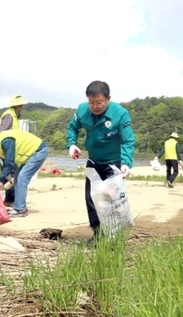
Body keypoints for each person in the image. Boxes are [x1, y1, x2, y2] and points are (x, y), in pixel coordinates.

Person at [66, 80, 135, 246]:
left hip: (114, 164)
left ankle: (114, 236)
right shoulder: (82, 110)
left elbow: (128, 141)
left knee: (112, 199)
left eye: (99, 102)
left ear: (108, 98)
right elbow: (72, 127)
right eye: (91, 102)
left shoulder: (121, 114)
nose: (94, 106)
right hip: (93, 161)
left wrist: (126, 163)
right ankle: (98, 234)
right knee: (92, 198)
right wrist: (72, 144)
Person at [0, 130, 49, 217]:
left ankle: (20, 209)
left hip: (39, 151)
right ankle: (18, 207)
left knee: (22, 177)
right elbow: (7, 164)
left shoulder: (6, 141)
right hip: (33, 152)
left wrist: (0, 180)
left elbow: (9, 163)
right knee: (17, 177)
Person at [0, 95, 27, 207]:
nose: (22, 107)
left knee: (10, 174)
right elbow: (2, 132)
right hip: (7, 150)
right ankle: (12, 200)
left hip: (11, 150)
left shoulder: (13, 115)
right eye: (21, 105)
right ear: (18, 105)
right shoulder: (9, 115)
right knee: (12, 174)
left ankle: (10, 199)